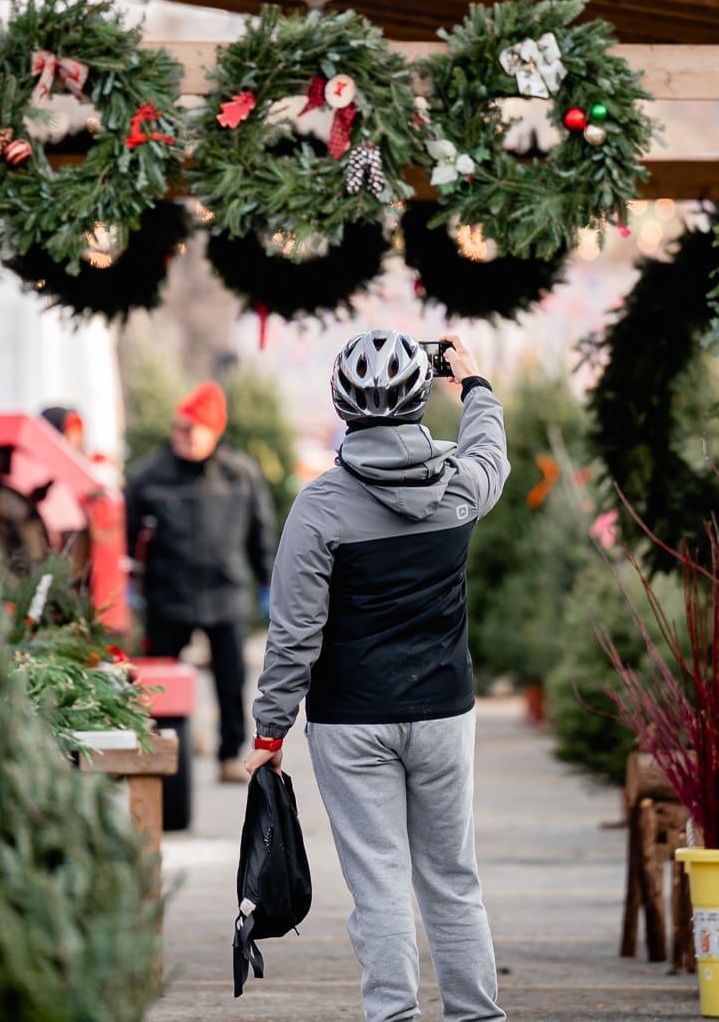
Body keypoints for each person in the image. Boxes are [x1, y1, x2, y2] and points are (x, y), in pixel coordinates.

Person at [245, 331, 510, 1022]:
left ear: (342, 404)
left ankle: (393, 1017)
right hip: (444, 712)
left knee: (380, 883)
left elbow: (295, 633)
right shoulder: (460, 485)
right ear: (420, 397)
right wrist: (474, 385)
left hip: (351, 720)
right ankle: (477, 1016)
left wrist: (270, 731)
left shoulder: (321, 507)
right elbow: (491, 452)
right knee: (452, 878)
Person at [126, 380, 276, 784]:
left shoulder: (239, 474)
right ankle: (159, 749)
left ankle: (229, 754)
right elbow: (128, 535)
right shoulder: (149, 476)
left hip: (224, 592)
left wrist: (268, 582)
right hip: (167, 594)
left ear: (213, 431)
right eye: (178, 427)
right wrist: (129, 586)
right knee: (158, 680)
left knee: (231, 679)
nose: (183, 436)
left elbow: (260, 533)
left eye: (191, 429)